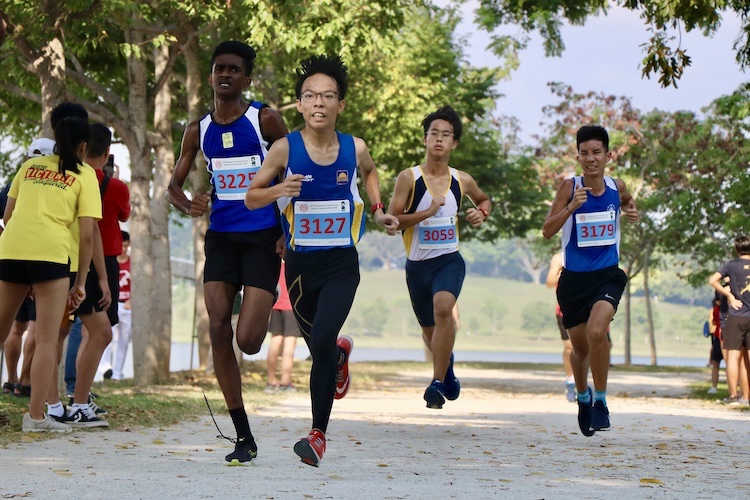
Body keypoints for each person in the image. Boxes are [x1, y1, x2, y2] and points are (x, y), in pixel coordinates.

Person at [245, 54, 398, 466]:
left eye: (328, 96)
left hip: (340, 265)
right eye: (310, 95)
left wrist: (379, 208)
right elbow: (251, 195)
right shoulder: (283, 149)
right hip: (297, 268)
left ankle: (317, 436)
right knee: (323, 351)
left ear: (340, 105)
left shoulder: (355, 147)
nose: (319, 102)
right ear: (299, 104)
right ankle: (339, 357)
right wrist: (280, 192)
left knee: (324, 338)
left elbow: (369, 172)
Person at [166, 40, 289, 464]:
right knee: (217, 327)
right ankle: (243, 436)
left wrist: (287, 230)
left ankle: (275, 303)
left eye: (234, 69)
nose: (225, 74)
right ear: (211, 76)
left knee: (249, 340)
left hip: (262, 236)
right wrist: (190, 205)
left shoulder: (265, 120)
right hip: (220, 236)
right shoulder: (197, 130)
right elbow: (173, 187)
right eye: (219, 68)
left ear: (246, 78)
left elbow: (296, 174)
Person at [0, 113, 101, 432]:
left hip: (11, 250)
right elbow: (87, 235)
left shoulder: (29, 167)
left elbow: (7, 214)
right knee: (45, 340)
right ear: (84, 145)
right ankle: (36, 418)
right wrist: (82, 281)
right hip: (52, 257)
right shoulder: (85, 174)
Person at [387, 105, 490, 410]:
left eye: (446, 135)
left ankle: (435, 383)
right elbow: (393, 221)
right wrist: (427, 213)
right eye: (434, 133)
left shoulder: (462, 180)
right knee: (430, 332)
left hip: (448, 260)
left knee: (443, 309)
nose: (439, 139)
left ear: (454, 143)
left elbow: (484, 199)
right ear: (425, 139)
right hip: (417, 266)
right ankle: (448, 366)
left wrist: (481, 212)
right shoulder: (409, 178)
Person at [542, 125, 639, 437]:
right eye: (584, 153)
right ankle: (583, 397)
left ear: (608, 156)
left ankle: (601, 401)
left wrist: (631, 211)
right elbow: (547, 230)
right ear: (578, 156)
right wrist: (572, 207)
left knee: (599, 332)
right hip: (573, 281)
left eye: (597, 152)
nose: (591, 158)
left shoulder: (616, 186)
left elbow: (627, 201)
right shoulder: (569, 187)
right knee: (580, 349)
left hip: (608, 276)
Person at [708, 235, 750, 406]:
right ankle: (747, 398)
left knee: (733, 357)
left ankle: (734, 396)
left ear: (736, 249)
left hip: (737, 315)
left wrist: (729, 295)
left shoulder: (731, 265)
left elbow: (712, 280)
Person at [265, 260, 300, 392]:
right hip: (291, 306)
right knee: (290, 344)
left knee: (275, 341)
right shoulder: (295, 263)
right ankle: (285, 382)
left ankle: (271, 381)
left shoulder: (276, 264)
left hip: (276, 304)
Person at [546, 251, 576, 402]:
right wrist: (569, 271)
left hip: (586, 308)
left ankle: (584, 384)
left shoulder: (590, 253)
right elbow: (549, 282)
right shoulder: (559, 258)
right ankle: (570, 382)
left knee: (585, 347)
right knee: (570, 347)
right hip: (564, 310)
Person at [110, 230, 132, 380]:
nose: (123, 249)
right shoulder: (111, 262)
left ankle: (117, 373)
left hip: (127, 305)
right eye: (121, 245)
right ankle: (105, 368)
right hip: (112, 303)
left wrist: (132, 301)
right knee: (106, 337)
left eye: (125, 246)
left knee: (124, 340)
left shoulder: (133, 262)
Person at [707, 293, 723, 394]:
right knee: (734, 363)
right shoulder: (734, 307)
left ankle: (714, 387)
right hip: (729, 336)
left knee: (716, 364)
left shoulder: (716, 309)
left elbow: (714, 322)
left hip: (718, 336)